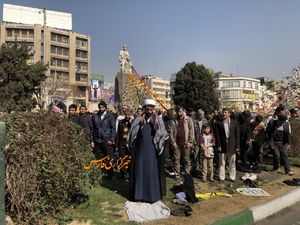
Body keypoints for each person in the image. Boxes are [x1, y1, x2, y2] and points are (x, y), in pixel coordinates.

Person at [127, 99, 169, 202]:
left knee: (151, 170)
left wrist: (155, 125)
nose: (149, 111)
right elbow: (133, 132)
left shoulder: (158, 119)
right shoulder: (139, 118)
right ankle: (139, 194)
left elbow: (163, 133)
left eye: (151, 109)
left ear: (154, 109)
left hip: (152, 149)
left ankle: (152, 195)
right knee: (140, 169)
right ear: (144, 109)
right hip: (141, 149)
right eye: (148, 109)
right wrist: (140, 124)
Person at [91, 101, 116, 179]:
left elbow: (113, 129)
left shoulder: (110, 116)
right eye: (100, 107)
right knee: (99, 158)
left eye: (102, 107)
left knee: (109, 158)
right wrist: (92, 140)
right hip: (97, 140)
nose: (101, 109)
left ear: (105, 107)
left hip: (106, 140)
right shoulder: (95, 116)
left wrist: (111, 139)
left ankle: (110, 174)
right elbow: (93, 129)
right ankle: (100, 174)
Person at [170, 106, 195, 184]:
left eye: (180, 111)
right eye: (178, 112)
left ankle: (187, 174)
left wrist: (190, 142)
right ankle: (177, 174)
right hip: (176, 144)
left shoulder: (188, 119)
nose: (179, 113)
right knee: (176, 159)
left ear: (183, 111)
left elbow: (191, 131)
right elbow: (170, 132)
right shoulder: (174, 120)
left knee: (186, 160)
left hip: (186, 143)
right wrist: (173, 142)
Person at [215, 108, 240, 181]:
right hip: (223, 144)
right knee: (222, 162)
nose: (224, 114)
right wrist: (219, 145)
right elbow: (217, 135)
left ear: (229, 114)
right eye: (223, 112)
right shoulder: (218, 123)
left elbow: (237, 135)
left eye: (225, 112)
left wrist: (237, 146)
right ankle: (222, 177)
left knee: (232, 162)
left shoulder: (234, 122)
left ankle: (232, 177)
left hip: (232, 144)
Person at [115, 108, 133, 181]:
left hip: (129, 144)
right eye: (126, 115)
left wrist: (130, 123)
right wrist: (117, 145)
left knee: (129, 160)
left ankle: (129, 174)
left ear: (131, 115)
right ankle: (123, 174)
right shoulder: (121, 122)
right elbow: (118, 134)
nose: (127, 116)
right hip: (122, 143)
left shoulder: (132, 122)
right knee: (122, 159)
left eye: (129, 115)